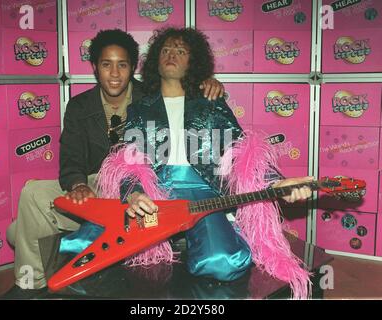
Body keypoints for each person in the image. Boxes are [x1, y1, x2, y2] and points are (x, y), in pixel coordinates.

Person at [3, 29, 225, 299]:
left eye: (122, 65)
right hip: (95, 185)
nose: (115, 74)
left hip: (144, 186)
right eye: (107, 65)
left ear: (133, 67)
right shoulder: (79, 106)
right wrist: (78, 184)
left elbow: (185, 94)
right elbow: (71, 159)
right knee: (31, 196)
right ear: (95, 68)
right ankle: (29, 285)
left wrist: (207, 81)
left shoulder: (151, 96)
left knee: (18, 233)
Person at [97, 27, 313, 298]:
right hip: (158, 195)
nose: (172, 55)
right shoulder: (140, 108)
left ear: (193, 61)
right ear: (155, 61)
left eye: (181, 50)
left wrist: (277, 183)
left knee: (222, 263)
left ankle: (220, 229)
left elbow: (241, 151)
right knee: (99, 248)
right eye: (165, 50)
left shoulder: (211, 103)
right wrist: (135, 193)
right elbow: (128, 161)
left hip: (203, 193)